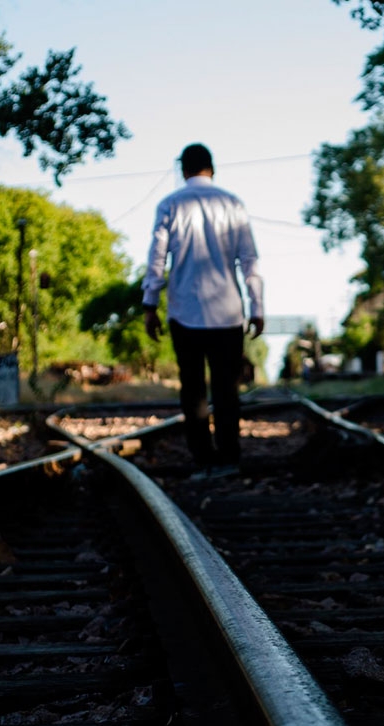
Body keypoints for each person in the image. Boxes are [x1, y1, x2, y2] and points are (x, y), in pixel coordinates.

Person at [142, 143, 264, 478]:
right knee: (226, 389)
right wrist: (257, 306)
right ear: (212, 168)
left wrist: (150, 304)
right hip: (227, 313)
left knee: (193, 389)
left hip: (185, 311)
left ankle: (204, 459)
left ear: (183, 170)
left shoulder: (169, 204)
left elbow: (157, 258)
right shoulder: (233, 204)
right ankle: (229, 458)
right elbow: (249, 259)